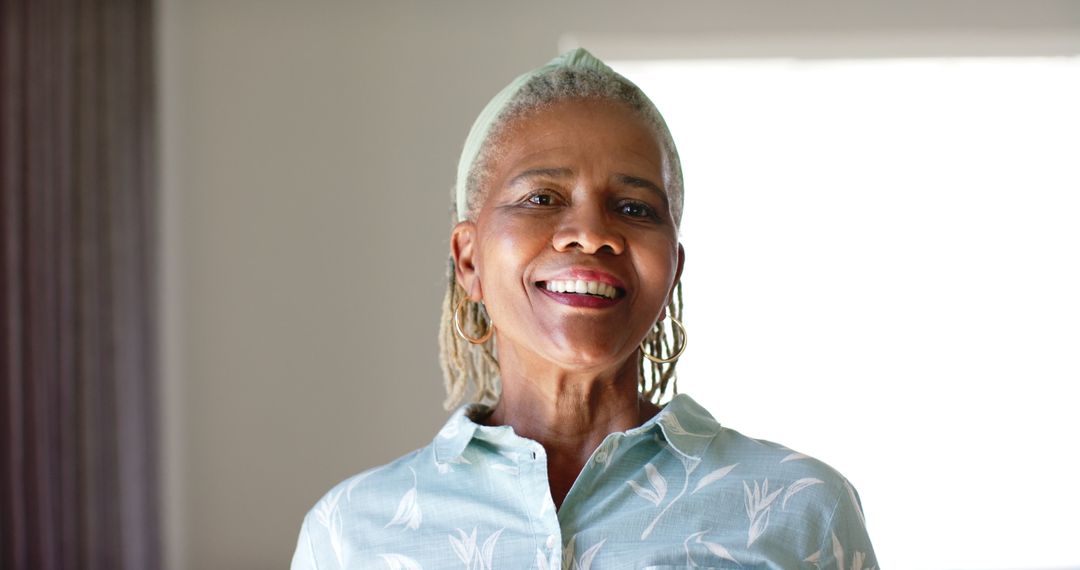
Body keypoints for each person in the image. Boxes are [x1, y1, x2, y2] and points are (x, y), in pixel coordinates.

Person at [291, 48, 877, 569]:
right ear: (468, 261)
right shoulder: (348, 534)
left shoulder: (804, 511)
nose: (592, 233)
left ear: (672, 268)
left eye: (635, 207)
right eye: (541, 198)